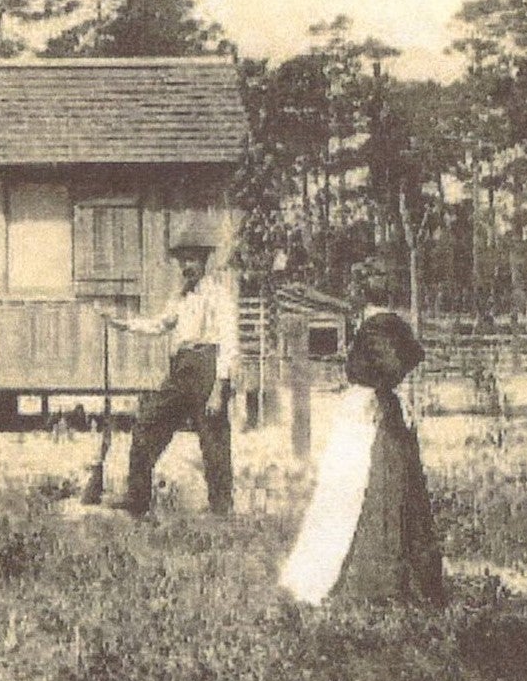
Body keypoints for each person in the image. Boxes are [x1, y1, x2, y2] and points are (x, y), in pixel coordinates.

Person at [278, 259, 445, 606]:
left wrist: (380, 389)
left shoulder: (377, 327)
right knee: (375, 488)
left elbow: (392, 363)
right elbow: (410, 357)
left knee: (361, 489)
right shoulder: (390, 323)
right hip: (377, 408)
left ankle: (376, 580)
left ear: (360, 294)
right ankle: (407, 578)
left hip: (369, 412)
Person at [99, 241, 237, 517]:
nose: (187, 267)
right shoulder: (180, 297)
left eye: (193, 261)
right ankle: (137, 500)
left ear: (204, 263)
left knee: (213, 443)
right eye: (183, 261)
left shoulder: (219, 295)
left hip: (208, 369)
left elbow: (230, 342)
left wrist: (218, 389)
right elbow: (160, 325)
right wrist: (124, 324)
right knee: (146, 425)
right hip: (181, 370)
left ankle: (222, 510)